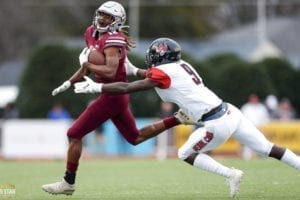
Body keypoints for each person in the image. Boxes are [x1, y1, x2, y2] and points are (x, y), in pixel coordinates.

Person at [74, 37, 300, 198]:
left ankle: (230, 173)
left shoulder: (163, 73)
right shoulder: (181, 65)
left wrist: (98, 87)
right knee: (268, 148)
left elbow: (126, 87)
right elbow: (156, 77)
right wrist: (134, 70)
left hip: (215, 122)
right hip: (230, 111)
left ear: (159, 56)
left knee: (184, 153)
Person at [42, 2, 195, 196]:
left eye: (108, 17)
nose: (102, 19)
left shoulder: (114, 40)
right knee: (135, 137)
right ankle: (178, 118)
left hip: (113, 95)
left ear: (117, 21)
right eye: (101, 15)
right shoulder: (90, 32)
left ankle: (68, 182)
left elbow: (110, 70)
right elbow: (87, 65)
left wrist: (87, 65)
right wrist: (70, 81)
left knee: (74, 133)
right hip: (116, 96)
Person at [240, 94, 270, 160]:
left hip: (260, 128)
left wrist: (263, 128)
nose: (254, 100)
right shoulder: (246, 107)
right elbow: (242, 119)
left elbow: (265, 119)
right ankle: (247, 157)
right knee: (248, 143)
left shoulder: (261, 108)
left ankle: (263, 158)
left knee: (262, 143)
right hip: (248, 128)